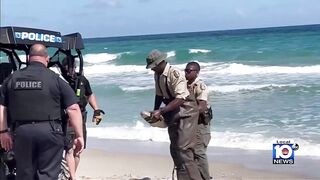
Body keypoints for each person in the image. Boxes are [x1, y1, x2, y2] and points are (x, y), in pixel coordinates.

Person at [0, 44, 84, 180]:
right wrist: (79, 135)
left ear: (28, 58)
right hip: (50, 133)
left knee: (24, 174)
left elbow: (2, 106)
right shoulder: (56, 79)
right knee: (48, 174)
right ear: (47, 59)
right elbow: (73, 108)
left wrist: (3, 132)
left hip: (22, 133)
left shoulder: (12, 78)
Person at [146, 49, 202, 180]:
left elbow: (181, 98)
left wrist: (162, 111)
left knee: (184, 149)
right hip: (171, 110)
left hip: (186, 111)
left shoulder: (175, 73)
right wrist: (155, 111)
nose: (152, 70)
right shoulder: (157, 74)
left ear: (160, 63)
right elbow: (159, 95)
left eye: (153, 67)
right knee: (175, 149)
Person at [61, 56, 105, 180]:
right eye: (67, 67)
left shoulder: (82, 79)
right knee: (69, 148)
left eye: (72, 67)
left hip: (81, 116)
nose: (70, 69)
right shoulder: (60, 80)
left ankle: (71, 176)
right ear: (62, 67)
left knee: (79, 149)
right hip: (67, 117)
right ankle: (72, 176)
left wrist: (96, 109)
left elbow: (90, 94)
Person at [185, 62, 212, 180]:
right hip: (191, 122)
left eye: (189, 71)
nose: (186, 72)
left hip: (201, 123)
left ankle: (206, 177)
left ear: (197, 73)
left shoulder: (200, 86)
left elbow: (202, 106)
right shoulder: (185, 85)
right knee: (191, 152)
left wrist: (186, 113)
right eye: (185, 70)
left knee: (199, 152)